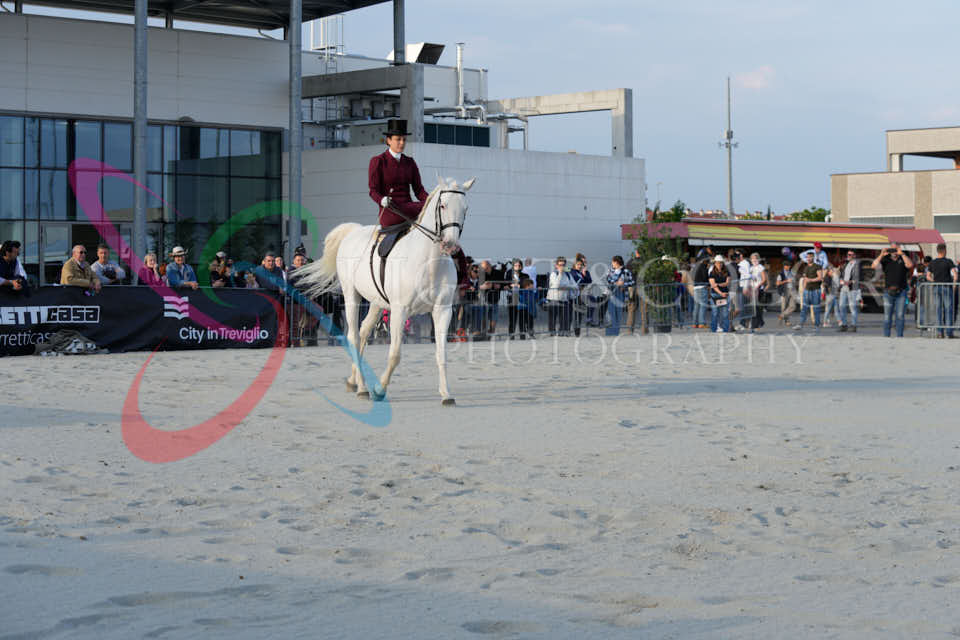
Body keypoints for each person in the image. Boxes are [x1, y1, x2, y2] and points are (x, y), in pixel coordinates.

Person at [368, 119, 429, 230]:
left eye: (404, 140)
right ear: (388, 140)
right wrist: (382, 200)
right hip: (391, 209)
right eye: (398, 139)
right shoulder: (378, 161)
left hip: (409, 207)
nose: (402, 143)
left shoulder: (410, 162)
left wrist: (430, 200)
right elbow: (373, 190)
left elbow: (419, 190)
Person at [871, 242, 913, 338]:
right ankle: (886, 336)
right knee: (887, 317)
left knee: (900, 316)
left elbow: (910, 265)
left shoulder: (903, 258)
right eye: (892, 249)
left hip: (901, 292)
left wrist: (902, 254)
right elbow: (873, 266)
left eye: (896, 249)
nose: (894, 251)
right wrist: (881, 254)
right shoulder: (885, 259)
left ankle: (899, 336)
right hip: (888, 292)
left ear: (899, 249)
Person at [926, 243, 957, 338]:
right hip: (947, 287)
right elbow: (955, 275)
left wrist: (934, 281)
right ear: (944, 251)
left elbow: (928, 276)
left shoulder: (932, 262)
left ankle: (940, 332)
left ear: (937, 251)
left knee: (938, 310)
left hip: (936, 287)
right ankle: (949, 332)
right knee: (948, 310)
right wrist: (954, 286)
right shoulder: (948, 261)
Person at [794, 250, 824, 332]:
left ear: (813, 257)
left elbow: (820, 278)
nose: (808, 258)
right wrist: (803, 290)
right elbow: (804, 280)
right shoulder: (806, 267)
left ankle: (816, 326)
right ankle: (800, 324)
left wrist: (811, 280)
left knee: (816, 309)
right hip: (807, 291)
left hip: (816, 290)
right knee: (804, 308)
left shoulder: (817, 266)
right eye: (807, 257)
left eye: (810, 257)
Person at [547, 256, 577, 336]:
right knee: (552, 317)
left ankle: (562, 332)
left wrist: (566, 286)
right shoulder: (554, 274)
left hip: (564, 299)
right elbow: (557, 286)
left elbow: (575, 286)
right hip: (553, 299)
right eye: (560, 265)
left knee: (564, 317)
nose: (562, 267)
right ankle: (552, 332)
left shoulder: (568, 274)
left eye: (563, 265)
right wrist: (560, 274)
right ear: (556, 265)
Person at [605, 255, 634, 335]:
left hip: (621, 293)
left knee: (618, 313)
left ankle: (615, 331)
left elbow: (632, 282)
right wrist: (616, 283)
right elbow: (608, 280)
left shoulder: (626, 271)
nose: (612, 263)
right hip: (612, 293)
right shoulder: (611, 271)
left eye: (613, 262)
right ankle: (609, 331)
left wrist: (623, 284)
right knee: (611, 312)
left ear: (616, 262)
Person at [838, 250, 863, 332]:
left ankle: (853, 325)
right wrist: (841, 280)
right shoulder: (846, 264)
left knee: (852, 307)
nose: (848, 256)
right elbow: (842, 274)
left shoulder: (857, 264)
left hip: (852, 288)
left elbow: (858, 277)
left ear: (854, 255)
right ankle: (844, 325)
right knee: (841, 306)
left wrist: (850, 282)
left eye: (850, 254)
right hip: (843, 287)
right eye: (848, 254)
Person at [505, 259, 529, 339]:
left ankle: (522, 336)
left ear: (521, 267)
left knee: (522, 318)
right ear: (513, 267)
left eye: (519, 265)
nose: (517, 267)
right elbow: (507, 283)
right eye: (515, 265)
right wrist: (512, 285)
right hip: (512, 298)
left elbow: (526, 285)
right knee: (512, 318)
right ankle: (511, 336)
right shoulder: (509, 274)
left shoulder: (525, 276)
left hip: (522, 298)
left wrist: (518, 285)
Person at [692, 246, 714, 329]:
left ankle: (694, 323)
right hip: (702, 287)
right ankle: (701, 323)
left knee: (696, 306)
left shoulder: (696, 266)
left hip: (695, 287)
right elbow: (705, 277)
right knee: (703, 305)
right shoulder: (703, 266)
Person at [570, 256, 592, 337]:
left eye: (580, 265)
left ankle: (577, 331)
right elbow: (561, 269)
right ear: (574, 264)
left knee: (578, 313)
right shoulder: (571, 270)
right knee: (572, 313)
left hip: (580, 295)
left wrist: (584, 274)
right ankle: (570, 329)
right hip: (572, 294)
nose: (579, 266)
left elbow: (589, 280)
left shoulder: (583, 272)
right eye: (578, 264)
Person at [708, 254, 730, 333]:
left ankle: (725, 329)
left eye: (721, 263)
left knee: (725, 313)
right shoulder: (712, 273)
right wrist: (721, 292)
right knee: (715, 313)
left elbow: (727, 283)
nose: (719, 264)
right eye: (717, 263)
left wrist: (718, 284)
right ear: (715, 263)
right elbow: (713, 285)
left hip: (725, 294)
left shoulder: (726, 272)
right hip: (716, 294)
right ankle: (713, 329)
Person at [746, 252, 767, 331]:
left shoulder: (760, 267)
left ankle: (755, 324)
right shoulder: (750, 268)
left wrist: (758, 286)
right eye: (752, 258)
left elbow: (764, 279)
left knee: (757, 308)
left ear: (758, 259)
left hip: (759, 289)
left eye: (755, 258)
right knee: (753, 307)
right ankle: (758, 323)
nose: (754, 260)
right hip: (751, 289)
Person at [776, 261, 796, 326]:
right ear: (784, 266)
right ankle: (787, 321)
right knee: (784, 307)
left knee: (793, 306)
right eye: (787, 265)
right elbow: (778, 283)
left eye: (789, 265)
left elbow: (793, 280)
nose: (789, 267)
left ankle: (781, 316)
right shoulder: (781, 274)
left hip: (792, 290)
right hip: (785, 290)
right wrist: (787, 281)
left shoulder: (791, 273)